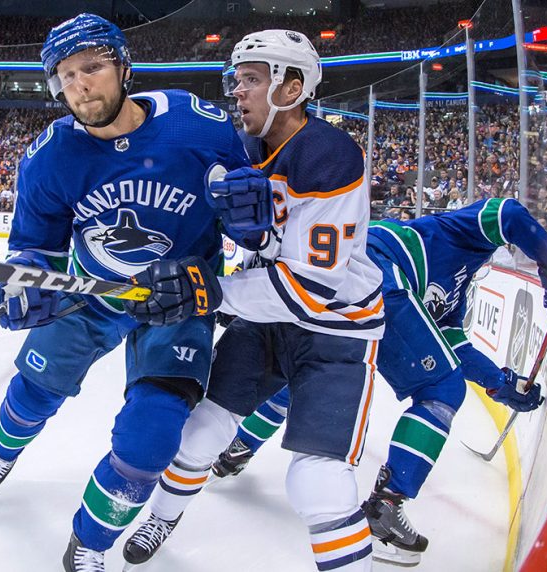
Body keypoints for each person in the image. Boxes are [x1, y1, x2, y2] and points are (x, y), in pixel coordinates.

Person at [0, 14, 250, 572]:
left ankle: (89, 544)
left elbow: (245, 222)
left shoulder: (199, 126)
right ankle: (3, 453)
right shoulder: (49, 156)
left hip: (178, 300)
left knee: (153, 435)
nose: (80, 86)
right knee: (34, 389)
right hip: (91, 295)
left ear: (124, 66)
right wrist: (25, 279)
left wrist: (246, 221)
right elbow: (35, 247)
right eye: (66, 76)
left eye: (91, 68)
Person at [123, 29, 385, 572]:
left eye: (251, 80)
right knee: (198, 435)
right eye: (235, 79)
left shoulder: (329, 155)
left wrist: (209, 293)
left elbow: (311, 287)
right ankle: (163, 517)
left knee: (316, 479)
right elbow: (269, 245)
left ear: (291, 88)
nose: (237, 91)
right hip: (269, 316)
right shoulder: (248, 147)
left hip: (336, 329)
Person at [204, 197, 547, 566]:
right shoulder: (460, 232)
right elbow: (508, 212)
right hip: (376, 274)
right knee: (442, 389)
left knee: (301, 371)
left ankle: (235, 448)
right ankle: (385, 505)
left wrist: (500, 383)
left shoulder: (457, 296)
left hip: (329, 279)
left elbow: (451, 346)